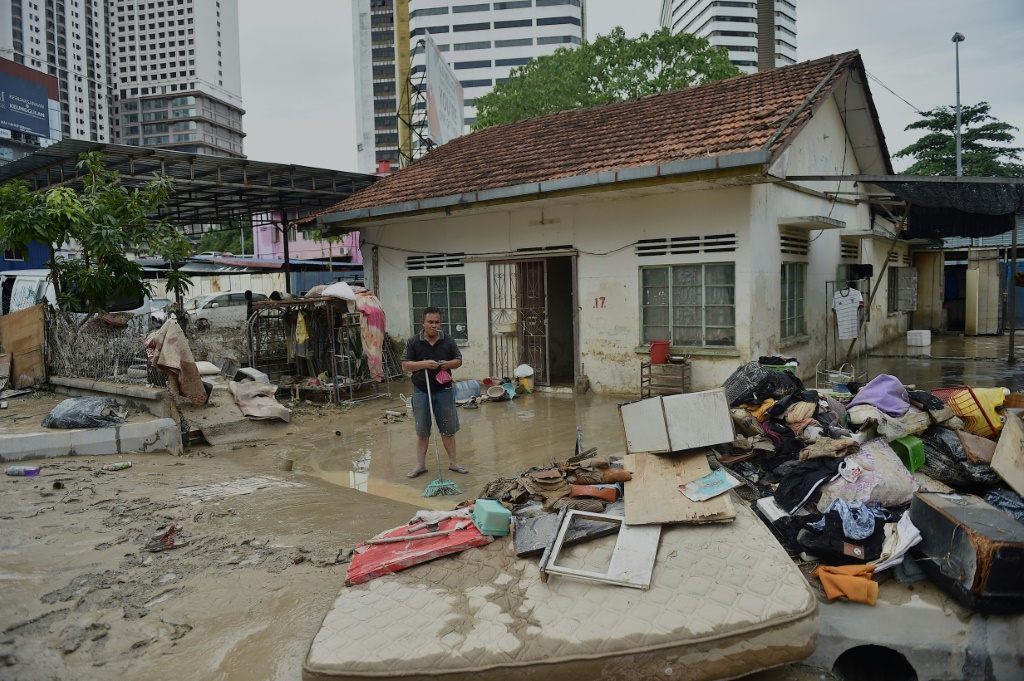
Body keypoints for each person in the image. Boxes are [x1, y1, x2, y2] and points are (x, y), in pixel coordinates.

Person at [401, 307, 469, 478]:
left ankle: (454, 463)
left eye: (437, 322)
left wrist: (448, 364)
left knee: (448, 428)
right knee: (422, 430)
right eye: (430, 322)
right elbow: (405, 365)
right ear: (422, 323)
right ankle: (420, 465)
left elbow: (458, 360)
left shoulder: (448, 340)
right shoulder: (413, 342)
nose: (434, 325)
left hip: (444, 390)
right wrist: (424, 364)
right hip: (421, 391)